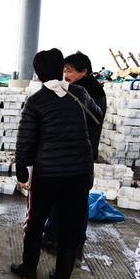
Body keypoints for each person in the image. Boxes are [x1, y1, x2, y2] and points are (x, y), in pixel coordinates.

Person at [12, 48, 102, 279]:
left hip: (48, 173)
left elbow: (26, 140)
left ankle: (29, 269)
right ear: (62, 68)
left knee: (36, 221)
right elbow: (97, 115)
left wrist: (22, 171)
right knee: (71, 224)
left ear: (39, 74)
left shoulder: (37, 101)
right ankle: (62, 277)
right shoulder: (80, 93)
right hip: (80, 172)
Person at [42, 52, 108, 253]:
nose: (65, 74)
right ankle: (60, 238)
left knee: (72, 204)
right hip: (77, 156)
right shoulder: (84, 89)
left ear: (84, 71)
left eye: (69, 71)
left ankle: (67, 243)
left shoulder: (86, 92)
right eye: (64, 70)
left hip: (76, 156)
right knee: (68, 201)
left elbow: (80, 123)